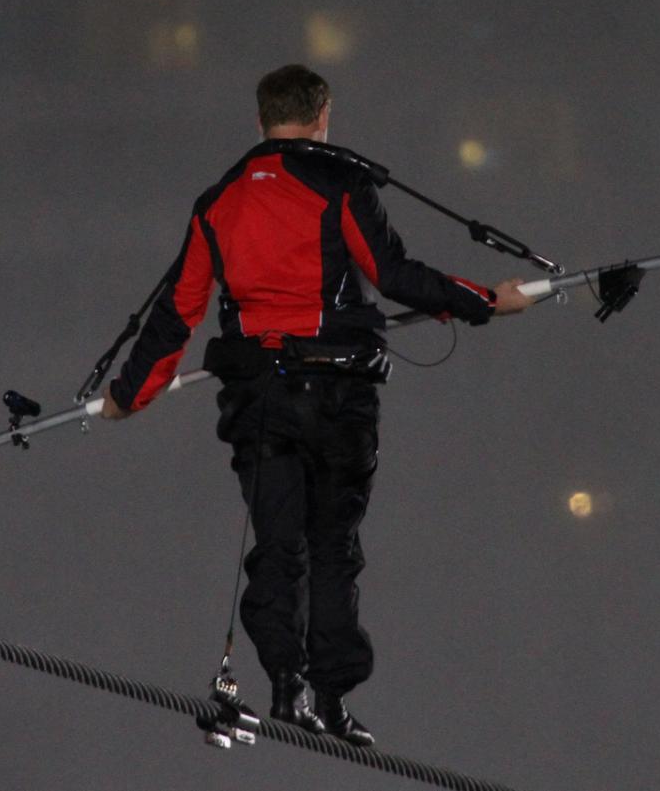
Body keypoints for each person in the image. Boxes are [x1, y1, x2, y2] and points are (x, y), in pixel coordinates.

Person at [98, 64, 533, 746]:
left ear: (260, 120)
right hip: (339, 396)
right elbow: (394, 275)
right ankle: (331, 696)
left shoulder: (218, 203)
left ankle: (285, 687)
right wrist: (486, 300)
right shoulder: (341, 183)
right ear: (323, 115)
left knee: (279, 545)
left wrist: (127, 397)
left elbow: (174, 318)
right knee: (334, 545)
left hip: (260, 401)